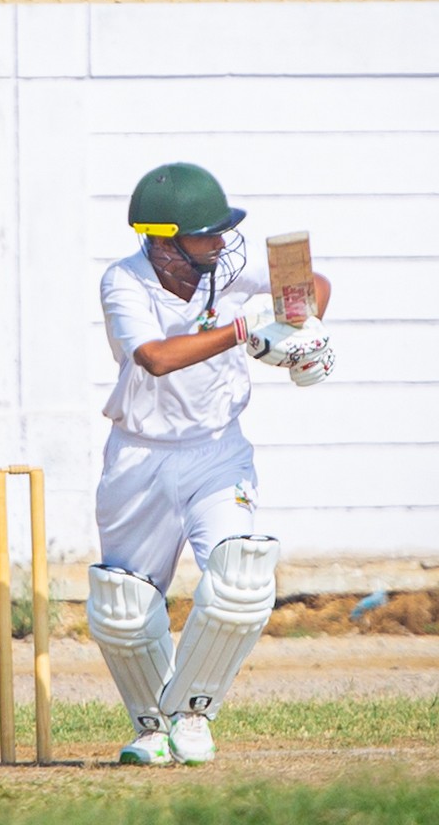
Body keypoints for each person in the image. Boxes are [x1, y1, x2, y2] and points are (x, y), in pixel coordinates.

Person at [86, 161, 333, 766]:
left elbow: (313, 282)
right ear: (164, 242)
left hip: (217, 450)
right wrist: (244, 329)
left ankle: (192, 716)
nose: (221, 244)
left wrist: (305, 328)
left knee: (241, 579)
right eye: (206, 235)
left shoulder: (227, 269)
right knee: (124, 607)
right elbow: (156, 358)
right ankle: (152, 730)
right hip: (139, 455)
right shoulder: (124, 281)